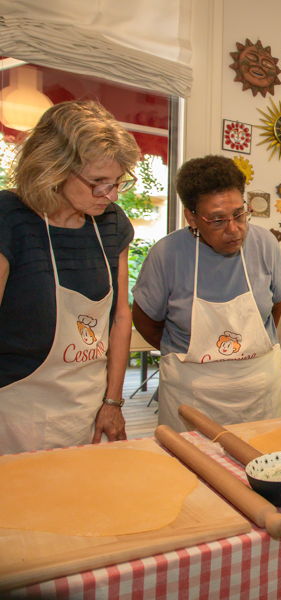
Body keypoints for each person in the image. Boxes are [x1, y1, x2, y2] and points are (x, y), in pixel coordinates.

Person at [0, 100, 139, 453]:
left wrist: (112, 402)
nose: (110, 195)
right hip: (16, 409)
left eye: (117, 182)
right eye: (98, 182)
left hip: (88, 406)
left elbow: (120, 318)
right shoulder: (9, 218)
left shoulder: (111, 223)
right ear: (53, 168)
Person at [132, 155, 281, 432]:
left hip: (259, 393)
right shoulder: (167, 255)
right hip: (191, 397)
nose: (234, 229)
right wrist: (195, 361)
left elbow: (276, 304)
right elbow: (146, 321)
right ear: (192, 217)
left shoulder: (264, 244)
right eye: (217, 220)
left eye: (239, 214)